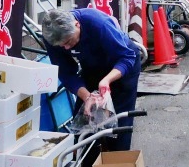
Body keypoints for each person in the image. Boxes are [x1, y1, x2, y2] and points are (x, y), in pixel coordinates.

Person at [40, 8, 141, 151]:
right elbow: (65, 73)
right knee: (85, 121)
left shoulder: (98, 23)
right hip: (92, 68)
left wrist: (106, 81)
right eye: (62, 46)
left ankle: (117, 166)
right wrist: (87, 97)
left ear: (77, 24)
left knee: (118, 122)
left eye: (68, 41)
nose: (66, 47)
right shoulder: (52, 36)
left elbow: (127, 57)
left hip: (121, 66)